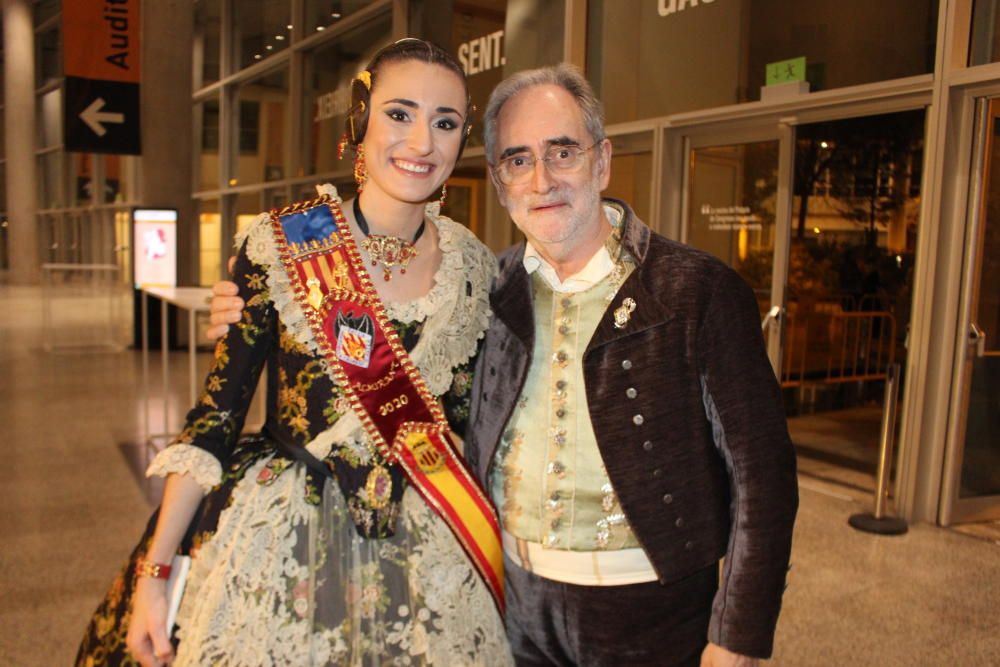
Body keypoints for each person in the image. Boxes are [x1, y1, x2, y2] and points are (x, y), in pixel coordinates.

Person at [211, 64, 798, 667]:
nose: (542, 179)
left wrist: (736, 638)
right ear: (498, 181)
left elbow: (764, 477)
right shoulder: (485, 289)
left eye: (562, 152)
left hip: (654, 611)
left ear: (602, 161)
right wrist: (247, 300)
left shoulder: (697, 290)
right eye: (518, 160)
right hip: (511, 608)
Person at [77, 39, 512, 667]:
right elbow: (214, 420)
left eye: (445, 122)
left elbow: (475, 422)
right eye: (399, 113)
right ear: (359, 124)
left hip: (430, 539)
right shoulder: (286, 244)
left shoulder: (474, 264)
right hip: (284, 533)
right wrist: (155, 569)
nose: (422, 142)